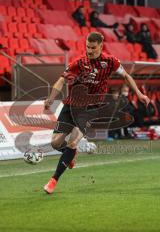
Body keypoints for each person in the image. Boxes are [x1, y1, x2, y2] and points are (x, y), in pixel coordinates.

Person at [44, 32, 150, 194]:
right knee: (55, 143)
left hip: (90, 108)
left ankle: (53, 180)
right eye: (87, 47)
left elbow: (127, 76)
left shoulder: (110, 62)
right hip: (71, 106)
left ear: (101, 46)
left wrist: (140, 94)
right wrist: (51, 98)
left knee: (72, 142)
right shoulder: (79, 63)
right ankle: (71, 154)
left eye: (93, 47)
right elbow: (61, 80)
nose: (90, 50)